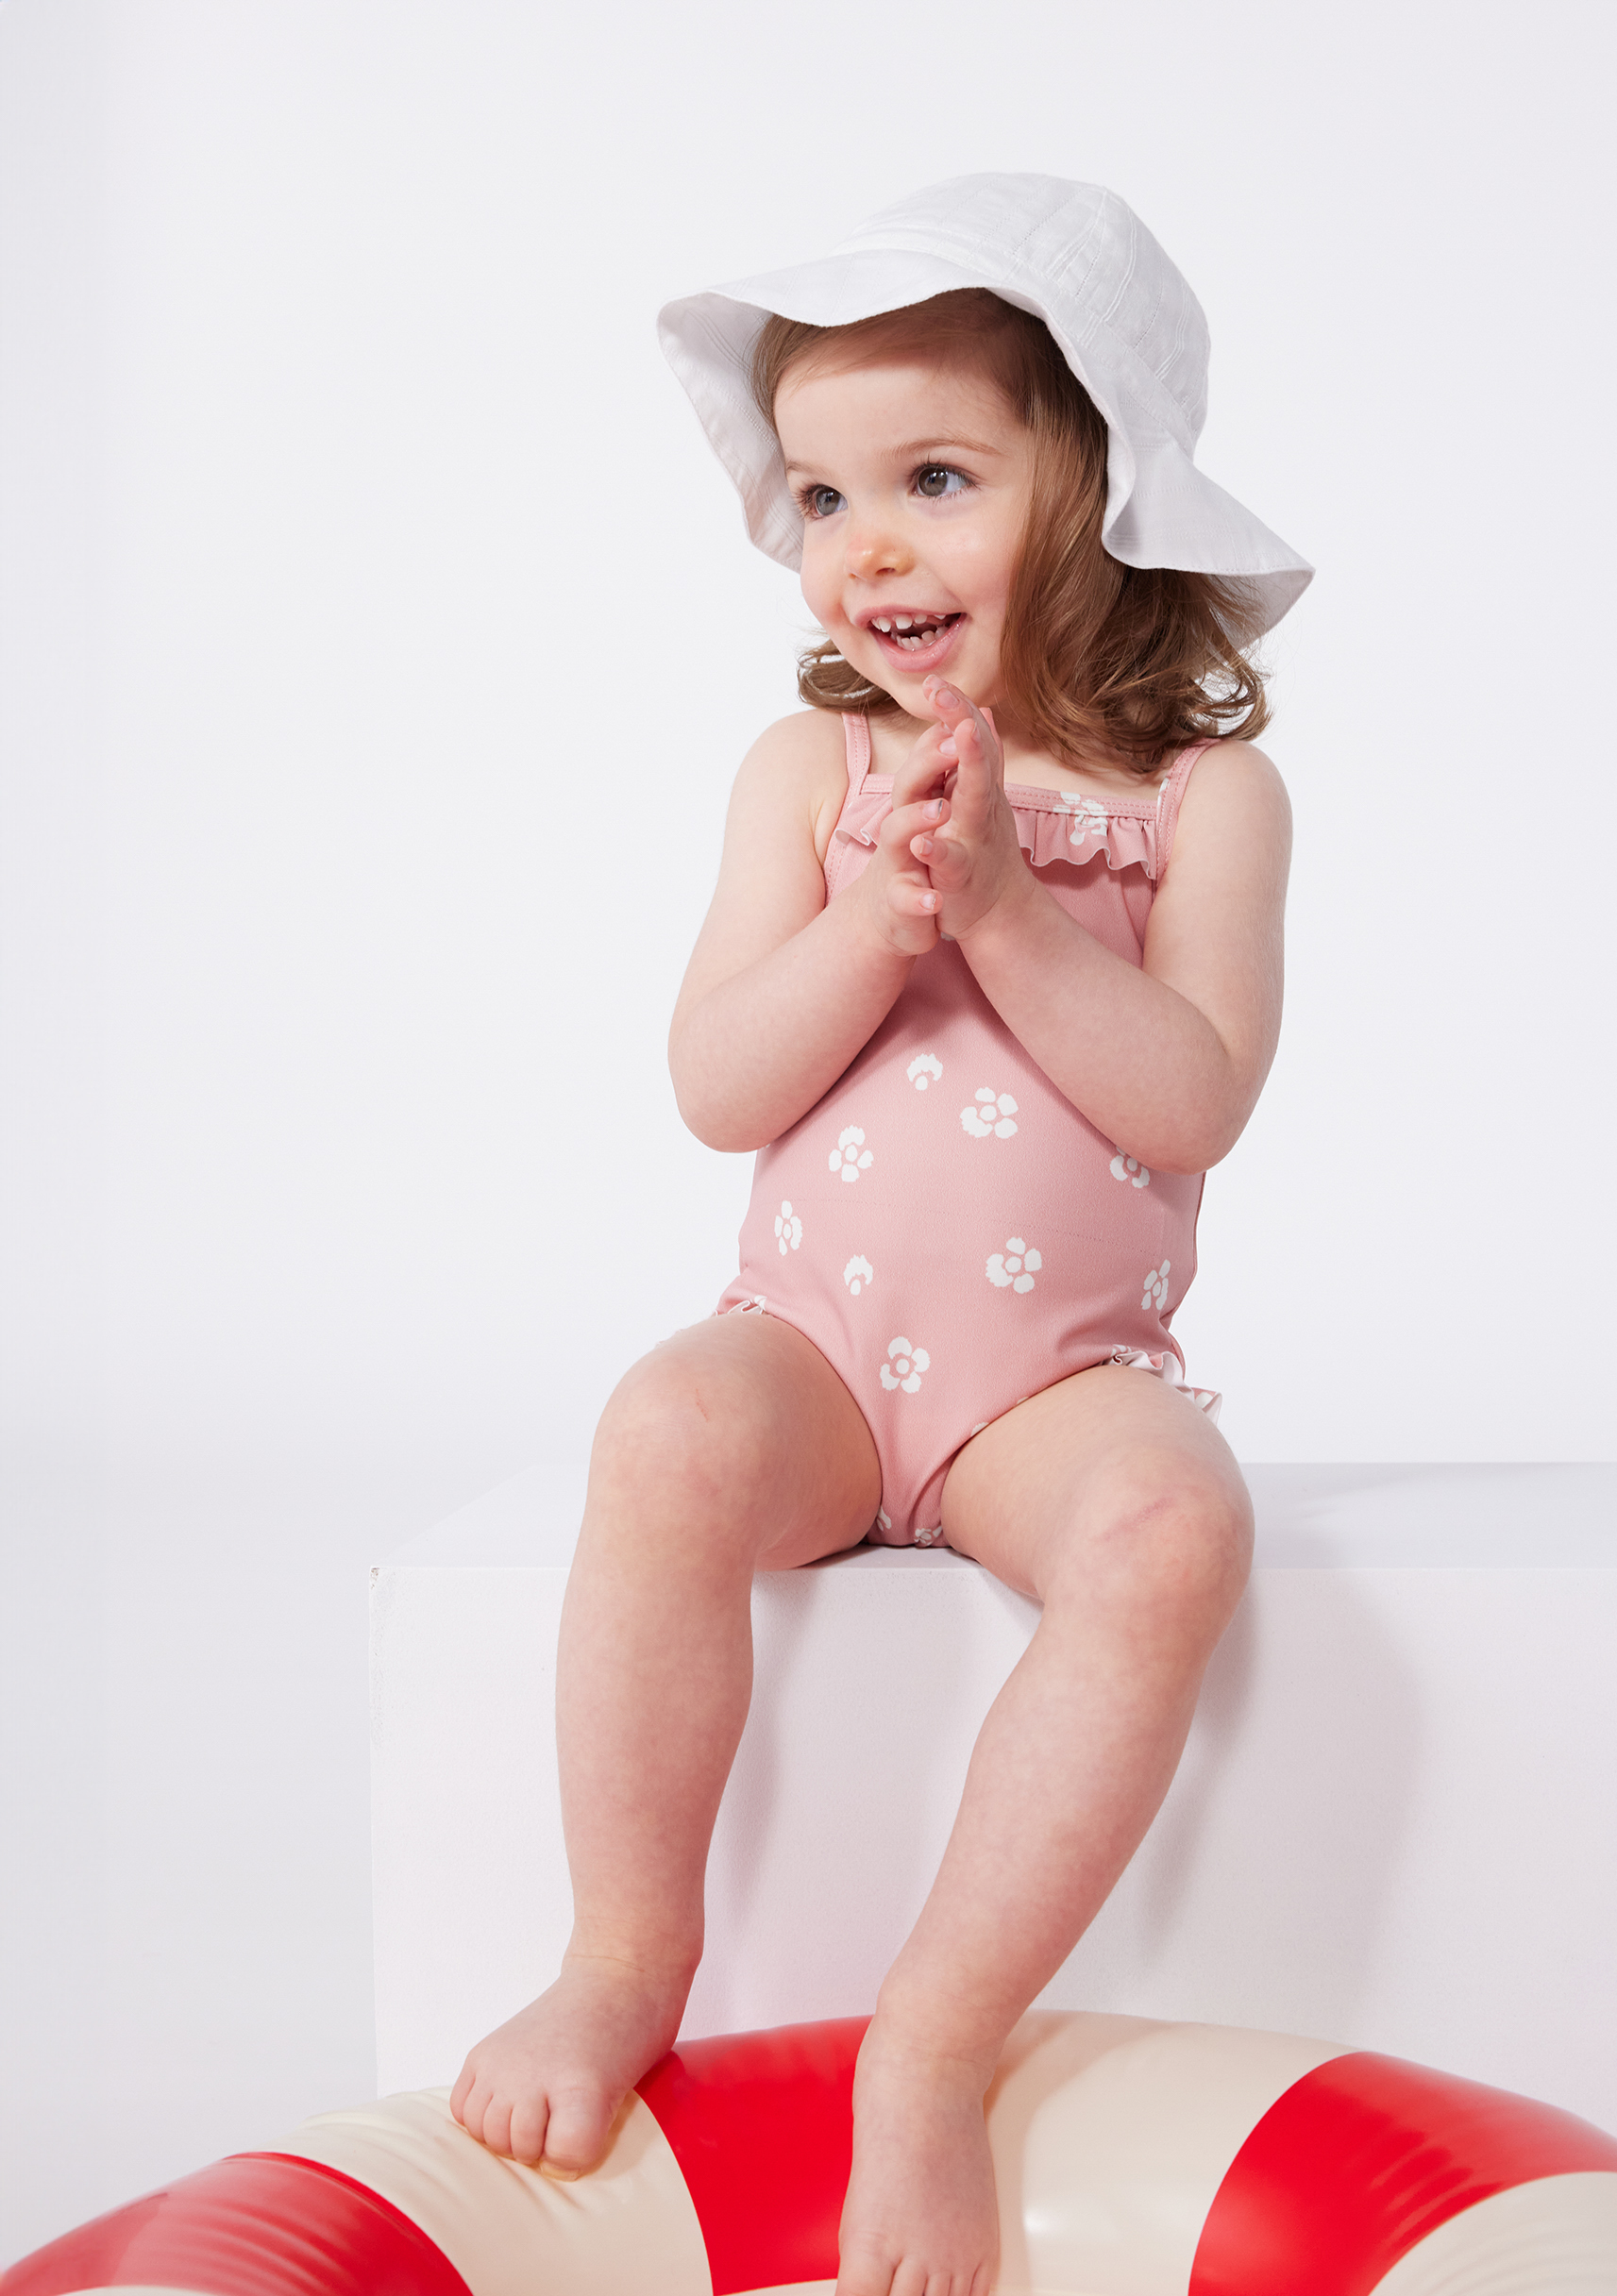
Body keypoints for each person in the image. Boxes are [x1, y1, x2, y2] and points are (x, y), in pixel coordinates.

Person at [449, 174, 1312, 2296]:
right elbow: (718, 1083)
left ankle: (927, 2050)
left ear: (1100, 493)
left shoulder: (1202, 802)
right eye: (824, 495)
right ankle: (623, 1949)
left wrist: (1010, 912)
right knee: (659, 1430)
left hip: (1053, 1384)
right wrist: (869, 925)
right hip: (820, 1346)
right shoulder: (805, 767)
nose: (869, 545)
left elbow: (1191, 1094)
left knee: (1170, 1539)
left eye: (937, 477)